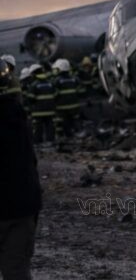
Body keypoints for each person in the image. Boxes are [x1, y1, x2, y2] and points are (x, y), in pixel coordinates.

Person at [0, 57, 43, 280]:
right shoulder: (17, 119)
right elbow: (30, 164)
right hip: (20, 208)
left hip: (18, 207)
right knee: (16, 271)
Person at [26, 64, 57, 143]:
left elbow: (30, 98)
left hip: (38, 112)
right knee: (50, 126)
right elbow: (56, 94)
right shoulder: (50, 82)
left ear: (34, 73)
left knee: (38, 127)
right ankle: (50, 141)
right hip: (50, 110)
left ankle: (38, 141)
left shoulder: (34, 85)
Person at [51, 58, 82, 139]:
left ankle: (61, 137)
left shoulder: (56, 80)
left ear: (60, 69)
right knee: (73, 122)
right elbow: (80, 91)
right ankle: (74, 135)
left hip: (61, 108)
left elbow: (54, 94)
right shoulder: (75, 79)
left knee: (61, 123)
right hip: (74, 106)